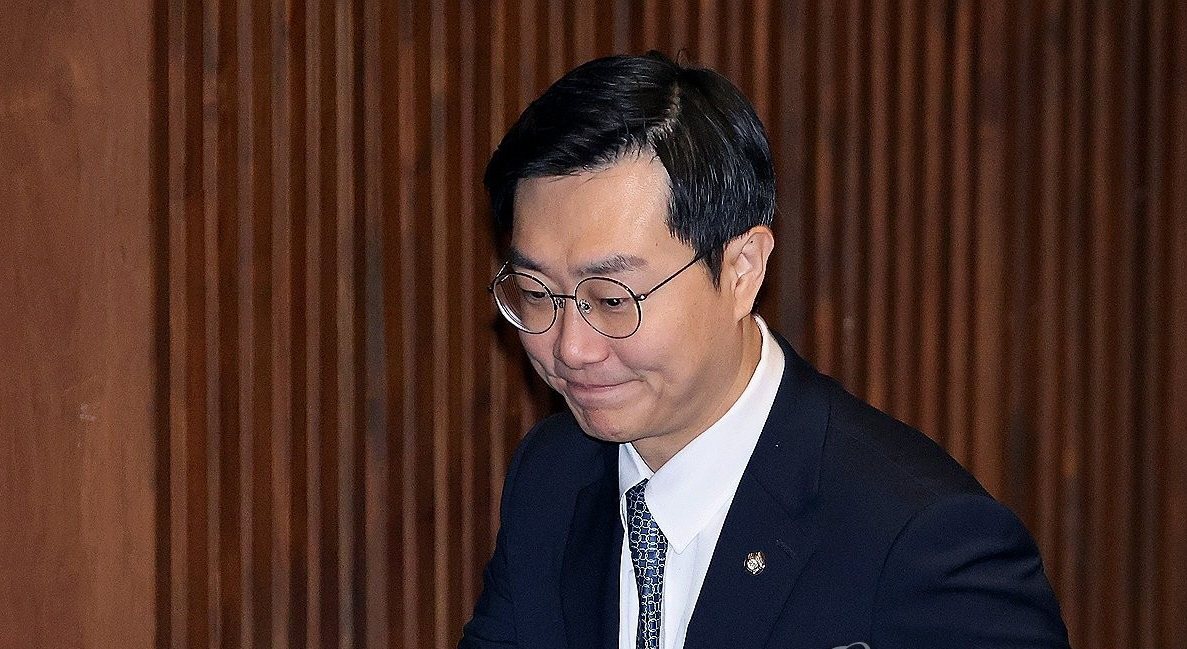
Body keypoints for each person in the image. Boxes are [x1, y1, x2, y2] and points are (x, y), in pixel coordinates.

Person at [460, 51, 1070, 649]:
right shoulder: (554, 478)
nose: (571, 347)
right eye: (536, 294)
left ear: (741, 269)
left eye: (613, 299)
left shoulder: (921, 541)